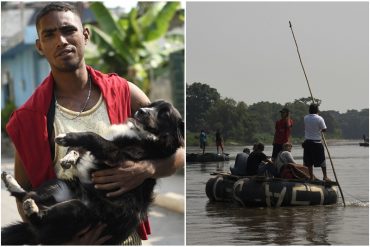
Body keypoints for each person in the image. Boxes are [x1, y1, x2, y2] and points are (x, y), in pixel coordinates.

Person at [5, 3, 184, 245]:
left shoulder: (123, 91)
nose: (61, 40)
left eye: (69, 30)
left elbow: (178, 150)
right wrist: (67, 241)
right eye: (49, 34)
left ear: (85, 35)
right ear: (40, 46)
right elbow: (24, 198)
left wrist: (147, 169)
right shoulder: (27, 118)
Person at [303, 104, 330, 181]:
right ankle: (325, 176)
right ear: (317, 110)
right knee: (322, 160)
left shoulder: (305, 118)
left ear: (309, 110)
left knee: (309, 161)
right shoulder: (319, 118)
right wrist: (319, 130)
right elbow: (324, 129)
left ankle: (311, 177)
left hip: (307, 142)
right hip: (317, 143)